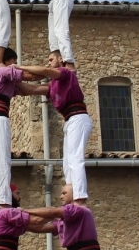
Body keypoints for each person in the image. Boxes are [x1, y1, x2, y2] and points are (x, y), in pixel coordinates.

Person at [16, 54, 91, 203]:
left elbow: (44, 70)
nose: (48, 62)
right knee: (67, 162)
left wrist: (18, 67)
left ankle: (80, 196)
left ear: (60, 59)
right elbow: (31, 89)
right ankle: (71, 190)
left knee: (75, 159)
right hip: (70, 121)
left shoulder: (65, 73)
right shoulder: (53, 85)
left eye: (51, 59)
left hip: (78, 118)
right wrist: (12, 79)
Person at [0, 48, 36, 208]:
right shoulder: (2, 72)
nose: (15, 65)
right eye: (13, 62)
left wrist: (53, 84)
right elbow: (31, 77)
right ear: (8, 60)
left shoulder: (2, 78)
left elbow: (29, 89)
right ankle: (4, 200)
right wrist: (55, 73)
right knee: (3, 161)